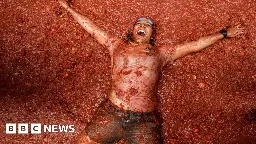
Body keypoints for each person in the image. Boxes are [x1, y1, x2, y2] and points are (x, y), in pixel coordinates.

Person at [58, 0, 245, 143]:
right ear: (132, 31)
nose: (142, 26)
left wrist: (224, 33)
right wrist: (67, 7)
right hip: (111, 114)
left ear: (151, 34)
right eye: (139, 24)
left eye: (147, 26)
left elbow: (195, 45)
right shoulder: (116, 45)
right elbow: (91, 27)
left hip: (144, 122)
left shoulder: (162, 53)